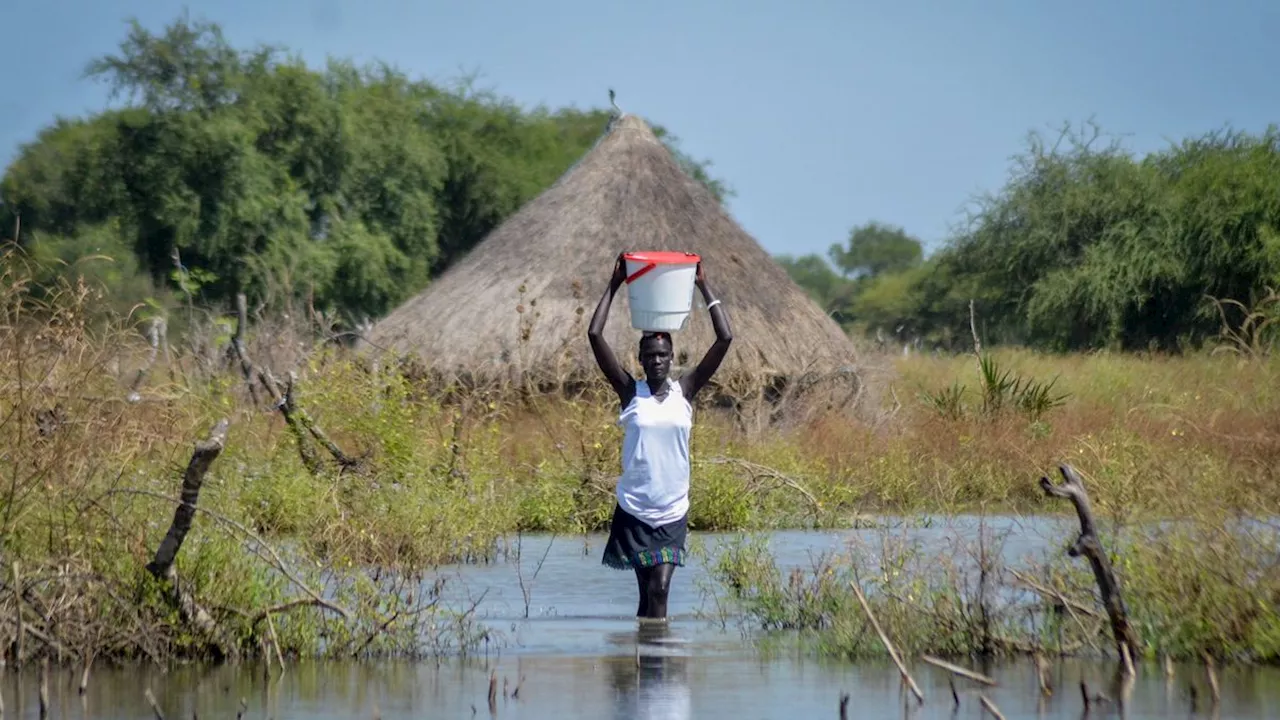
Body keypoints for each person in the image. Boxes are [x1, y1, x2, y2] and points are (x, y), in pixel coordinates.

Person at [587, 252, 733, 621]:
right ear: (640, 358)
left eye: (663, 355)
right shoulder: (629, 392)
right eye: (650, 356)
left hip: (672, 509)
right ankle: (646, 664)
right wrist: (615, 283)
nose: (656, 361)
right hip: (635, 507)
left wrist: (702, 285)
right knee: (645, 594)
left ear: (672, 358)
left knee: (661, 588)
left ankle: (662, 671)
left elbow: (725, 337)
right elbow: (594, 334)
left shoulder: (686, 391)